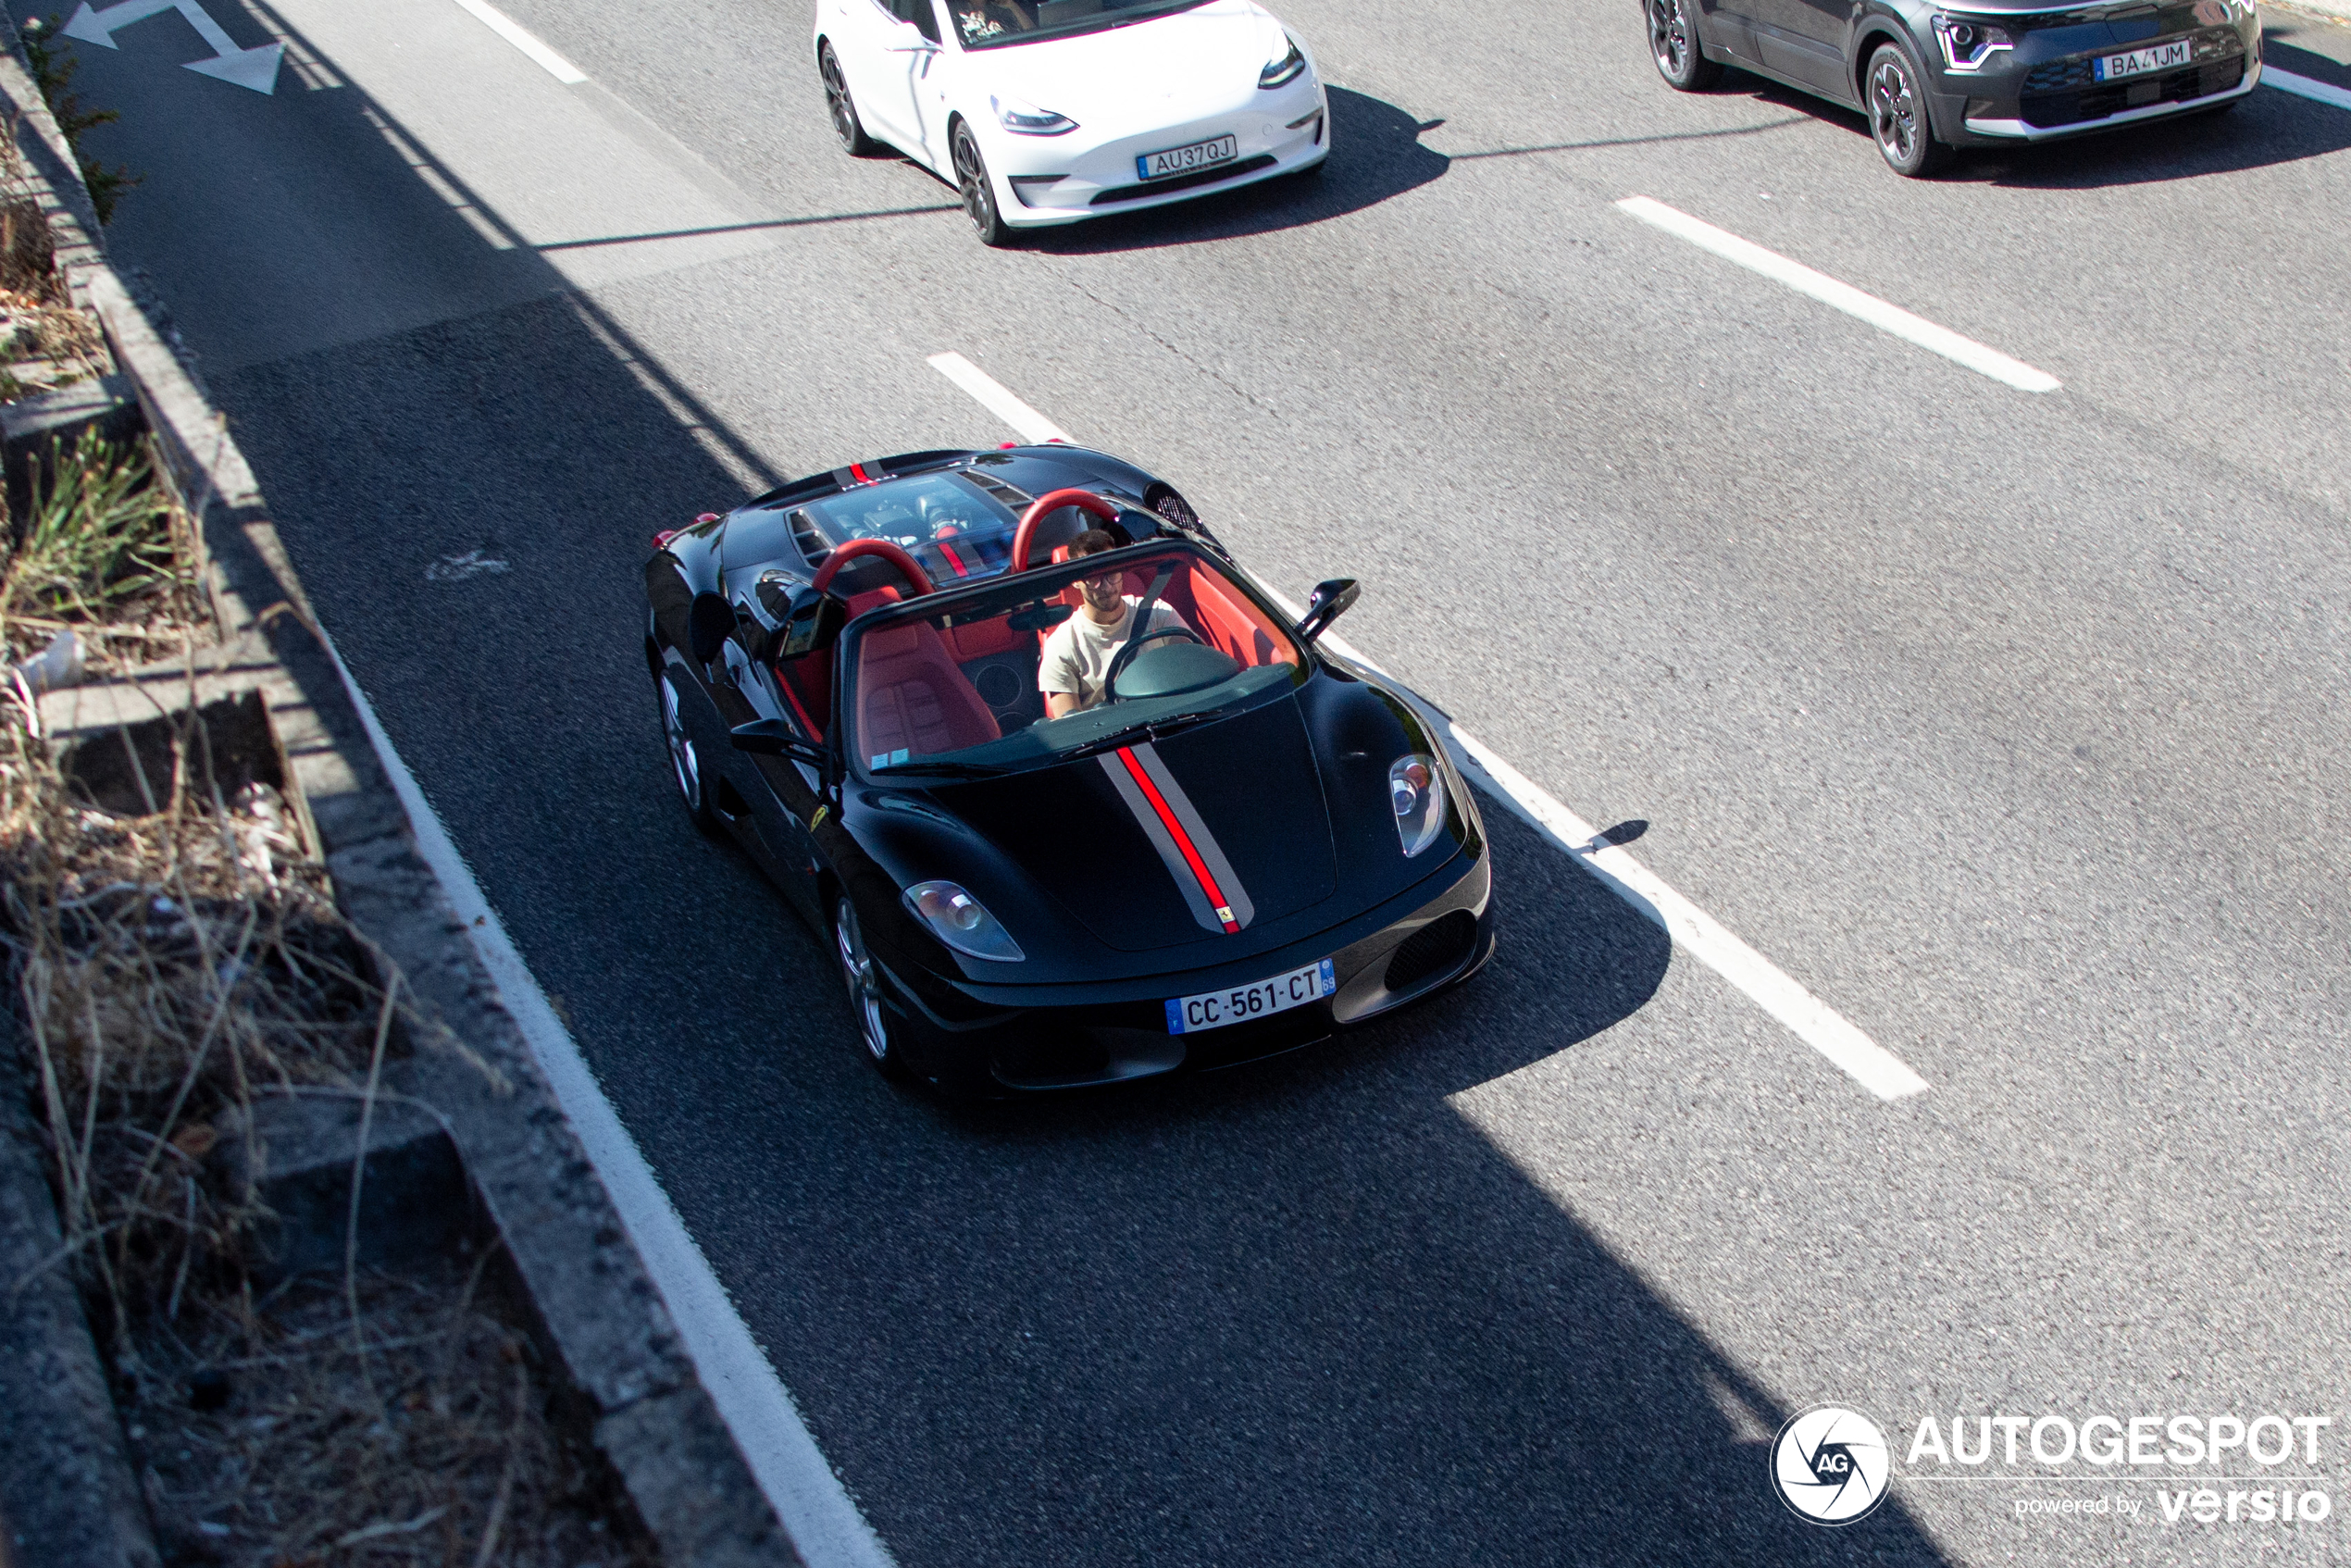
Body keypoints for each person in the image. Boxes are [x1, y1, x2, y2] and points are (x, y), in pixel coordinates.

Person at [1039, 530, 1188, 717]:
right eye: (1093, 577)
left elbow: (1195, 670)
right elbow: (1069, 726)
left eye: (1111, 573)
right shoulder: (1061, 645)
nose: (1107, 586)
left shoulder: (1159, 614)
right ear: (1076, 581)